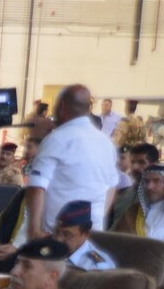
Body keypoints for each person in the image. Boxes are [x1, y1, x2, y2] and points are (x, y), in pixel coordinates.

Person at [24, 84, 119, 235]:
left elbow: (37, 185)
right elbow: (112, 186)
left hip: (58, 235)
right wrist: (98, 218)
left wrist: (34, 231)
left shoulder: (56, 139)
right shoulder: (106, 142)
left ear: (61, 106)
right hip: (90, 236)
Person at [108, 162, 164, 289]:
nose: (150, 186)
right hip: (138, 278)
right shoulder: (134, 211)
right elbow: (121, 243)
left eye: (157, 181)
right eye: (146, 181)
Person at [53, 199, 117, 271]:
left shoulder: (97, 267)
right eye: (57, 232)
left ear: (86, 234)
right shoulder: (50, 250)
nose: (58, 239)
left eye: (67, 234)